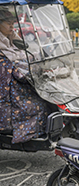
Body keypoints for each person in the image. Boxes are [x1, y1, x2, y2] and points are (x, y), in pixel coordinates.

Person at [0, 9, 50, 143]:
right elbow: (15, 68)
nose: (12, 26)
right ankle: (26, 136)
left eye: (13, 23)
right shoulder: (1, 44)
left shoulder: (10, 39)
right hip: (10, 90)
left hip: (18, 85)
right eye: (8, 23)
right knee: (38, 105)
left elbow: (25, 54)